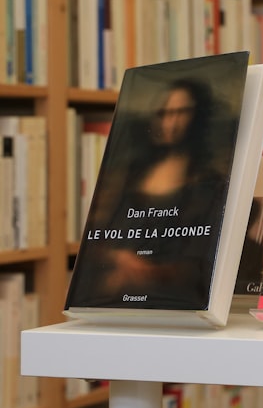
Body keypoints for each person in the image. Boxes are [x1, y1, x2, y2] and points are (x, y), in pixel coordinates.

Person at [70, 77, 232, 308]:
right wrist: (117, 259)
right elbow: (99, 236)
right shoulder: (132, 174)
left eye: (181, 112)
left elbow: (198, 263)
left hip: (173, 299)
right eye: (165, 113)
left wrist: (148, 272)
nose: (171, 122)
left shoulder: (209, 183)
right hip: (115, 295)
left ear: (198, 118)